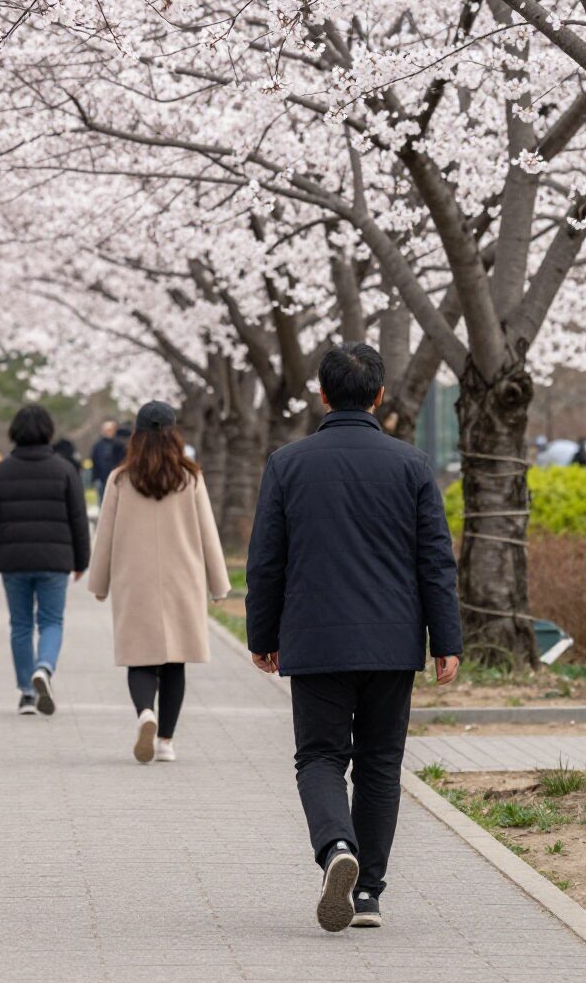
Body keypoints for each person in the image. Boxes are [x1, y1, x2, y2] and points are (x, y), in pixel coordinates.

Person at [246, 343, 462, 934]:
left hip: (315, 640)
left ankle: (335, 848)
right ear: (381, 395)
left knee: (318, 756)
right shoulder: (412, 465)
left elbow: (266, 561)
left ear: (321, 394)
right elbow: (435, 562)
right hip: (392, 642)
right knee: (379, 764)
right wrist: (447, 640)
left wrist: (261, 635)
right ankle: (367, 891)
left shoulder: (287, 464)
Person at [88, 401, 229, 763]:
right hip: (182, 578)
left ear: (136, 435)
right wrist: (219, 585)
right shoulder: (190, 477)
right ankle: (165, 741)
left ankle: (144, 714)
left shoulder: (120, 478)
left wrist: (99, 583)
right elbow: (207, 533)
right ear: (174, 434)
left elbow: (105, 535)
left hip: (134, 579)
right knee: (175, 662)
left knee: (140, 658)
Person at [0, 406, 90, 715]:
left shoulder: (2, 470)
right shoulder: (65, 469)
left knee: (21, 625)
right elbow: (78, 518)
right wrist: (82, 560)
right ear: (49, 432)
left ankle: (27, 693)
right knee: (52, 621)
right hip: (55, 559)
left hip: (13, 560)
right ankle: (44, 667)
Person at [89, 419, 124, 505]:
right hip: (102, 478)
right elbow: (94, 461)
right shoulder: (98, 446)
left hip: (117, 478)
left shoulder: (119, 444)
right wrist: (95, 478)